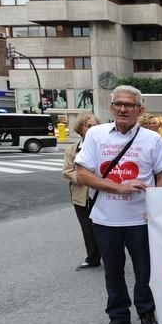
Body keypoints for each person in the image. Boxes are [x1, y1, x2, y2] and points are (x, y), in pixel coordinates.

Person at [74, 85, 162, 324]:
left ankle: (147, 315)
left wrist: (156, 207)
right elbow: (82, 174)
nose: (123, 109)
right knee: (112, 272)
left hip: (141, 219)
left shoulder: (152, 139)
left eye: (129, 105)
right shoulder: (95, 135)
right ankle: (119, 319)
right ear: (111, 107)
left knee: (144, 272)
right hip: (105, 218)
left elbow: (161, 175)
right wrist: (119, 187)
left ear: (140, 109)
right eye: (118, 104)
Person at [62, 112, 101, 271]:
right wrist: (84, 178)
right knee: (87, 229)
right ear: (81, 129)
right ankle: (92, 258)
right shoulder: (72, 149)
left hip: (102, 194)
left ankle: (111, 256)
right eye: (89, 126)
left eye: (95, 126)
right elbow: (67, 170)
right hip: (81, 196)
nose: (92, 129)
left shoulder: (105, 147)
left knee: (104, 228)